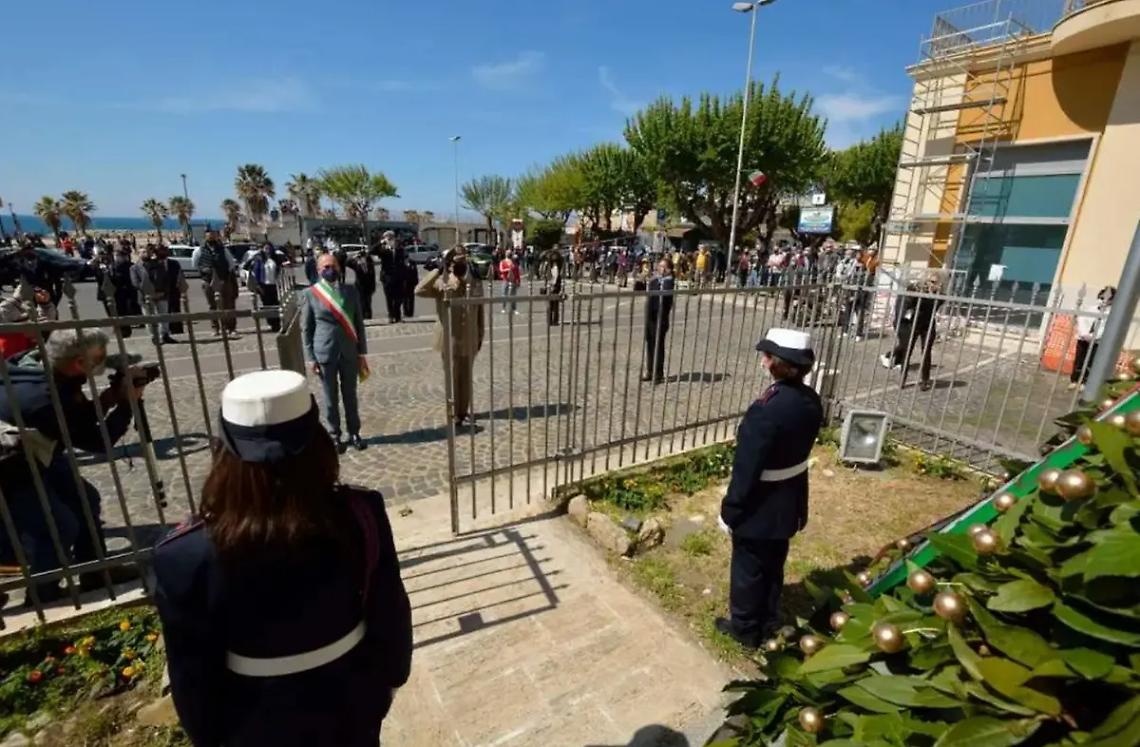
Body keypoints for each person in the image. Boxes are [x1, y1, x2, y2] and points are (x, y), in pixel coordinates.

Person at [153, 370, 412, 747]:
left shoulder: (184, 554)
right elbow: (389, 614)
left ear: (222, 449)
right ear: (317, 440)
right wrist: (383, 687)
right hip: (350, 707)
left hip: (253, 723)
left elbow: (192, 676)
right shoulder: (361, 515)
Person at [0, 329, 148, 602]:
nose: (103, 365)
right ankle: (44, 594)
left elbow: (72, 419)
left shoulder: (37, 364)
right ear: (79, 362)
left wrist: (106, 401)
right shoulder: (44, 397)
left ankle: (95, 570)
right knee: (58, 524)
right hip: (12, 466)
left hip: (37, 448)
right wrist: (127, 405)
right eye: (99, 359)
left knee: (84, 498)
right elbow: (96, 441)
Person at [715, 329, 823, 648]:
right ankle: (770, 617)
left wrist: (730, 510)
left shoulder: (766, 409)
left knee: (749, 568)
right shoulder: (810, 400)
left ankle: (746, 628)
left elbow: (747, 470)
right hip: (789, 499)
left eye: (768, 357)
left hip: (760, 505)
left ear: (776, 365)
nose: (763, 361)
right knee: (775, 563)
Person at [303, 253, 369, 453]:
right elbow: (307, 328)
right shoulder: (311, 294)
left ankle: (354, 432)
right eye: (325, 267)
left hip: (349, 352)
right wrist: (311, 358)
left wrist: (362, 353)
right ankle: (334, 435)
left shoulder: (350, 291)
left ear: (339, 268)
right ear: (318, 270)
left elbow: (358, 323)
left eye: (332, 266)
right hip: (325, 352)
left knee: (350, 395)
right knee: (330, 398)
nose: (329, 270)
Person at [416, 246, 485, 428]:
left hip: (469, 337)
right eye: (456, 261)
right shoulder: (442, 281)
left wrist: (480, 336)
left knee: (466, 377)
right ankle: (454, 412)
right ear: (450, 263)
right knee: (453, 377)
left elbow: (480, 313)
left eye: (463, 260)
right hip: (449, 338)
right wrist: (438, 269)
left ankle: (463, 411)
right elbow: (419, 290)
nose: (460, 264)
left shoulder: (475, 282)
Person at [881, 277, 941, 391]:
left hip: (928, 325)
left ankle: (925, 380)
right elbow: (908, 302)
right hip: (914, 324)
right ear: (926, 281)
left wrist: (934, 293)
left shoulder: (938, 295)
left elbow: (937, 305)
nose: (933, 285)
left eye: (936, 282)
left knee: (926, 352)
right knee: (907, 351)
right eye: (931, 281)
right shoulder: (918, 292)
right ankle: (902, 379)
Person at [131, 244, 181, 344]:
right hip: (146, 297)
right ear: (138, 253)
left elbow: (166, 280)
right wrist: (150, 293)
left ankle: (165, 335)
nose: (146, 254)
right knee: (149, 318)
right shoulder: (134, 268)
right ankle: (154, 336)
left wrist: (162, 292)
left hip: (161, 295)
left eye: (148, 252)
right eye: (143, 252)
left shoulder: (158, 265)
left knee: (164, 316)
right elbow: (136, 283)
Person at [193, 231, 239, 336]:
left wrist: (223, 273)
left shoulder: (223, 249)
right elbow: (195, 264)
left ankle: (231, 328)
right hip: (208, 281)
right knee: (212, 306)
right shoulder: (199, 251)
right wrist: (205, 272)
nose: (212, 238)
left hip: (224, 280)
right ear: (205, 237)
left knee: (228, 305)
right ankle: (215, 329)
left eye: (214, 235)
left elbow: (231, 263)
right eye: (209, 236)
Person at [1070, 286, 1116, 390]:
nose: (1104, 301)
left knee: (1091, 361)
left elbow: (1106, 327)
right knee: (1079, 360)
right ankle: (1075, 380)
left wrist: (1093, 336)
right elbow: (1082, 319)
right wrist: (1084, 333)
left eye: (1108, 299)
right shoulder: (1092, 308)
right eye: (1102, 298)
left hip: (1097, 341)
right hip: (1083, 338)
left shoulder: (1111, 313)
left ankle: (1085, 382)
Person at [0, 283, 58, 359]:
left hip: (29, 355)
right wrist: (16, 300)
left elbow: (46, 322)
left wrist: (44, 304)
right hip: (9, 359)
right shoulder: (7, 307)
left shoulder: (22, 306)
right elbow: (5, 320)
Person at [642, 258, 675, 385]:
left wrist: (657, 280)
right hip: (651, 316)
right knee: (650, 344)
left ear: (668, 269)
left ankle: (658, 373)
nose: (659, 268)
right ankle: (649, 370)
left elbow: (665, 294)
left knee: (658, 346)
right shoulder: (655, 279)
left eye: (663, 266)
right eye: (659, 266)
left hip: (661, 318)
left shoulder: (669, 281)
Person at [249, 242, 282, 333]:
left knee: (275, 304)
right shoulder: (259, 259)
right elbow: (255, 273)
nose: (267, 250)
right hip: (264, 285)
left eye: (269, 248)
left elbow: (279, 270)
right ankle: (271, 323)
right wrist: (258, 285)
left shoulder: (274, 259)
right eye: (265, 248)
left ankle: (277, 323)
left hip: (273, 285)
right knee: (267, 305)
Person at [377, 232, 402, 324]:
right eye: (388, 238)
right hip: (387, 277)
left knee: (399, 298)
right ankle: (391, 316)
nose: (390, 240)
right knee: (389, 298)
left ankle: (398, 316)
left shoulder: (399, 249)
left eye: (391, 238)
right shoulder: (383, 250)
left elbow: (403, 261)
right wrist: (381, 242)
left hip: (398, 277)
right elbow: (372, 251)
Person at [347, 247, 377, 321]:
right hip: (359, 286)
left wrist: (373, 286)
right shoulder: (356, 264)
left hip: (368, 285)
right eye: (361, 257)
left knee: (368, 301)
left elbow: (373, 275)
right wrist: (355, 257)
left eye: (364, 257)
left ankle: (368, 316)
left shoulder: (369, 264)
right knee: (361, 302)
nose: (363, 259)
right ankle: (362, 316)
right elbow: (347, 263)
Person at [543, 249, 564, 327]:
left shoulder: (554, 266)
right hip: (552, 285)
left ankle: (553, 320)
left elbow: (554, 277)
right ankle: (552, 320)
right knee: (552, 304)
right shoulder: (552, 265)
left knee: (553, 304)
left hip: (553, 285)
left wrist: (552, 285)